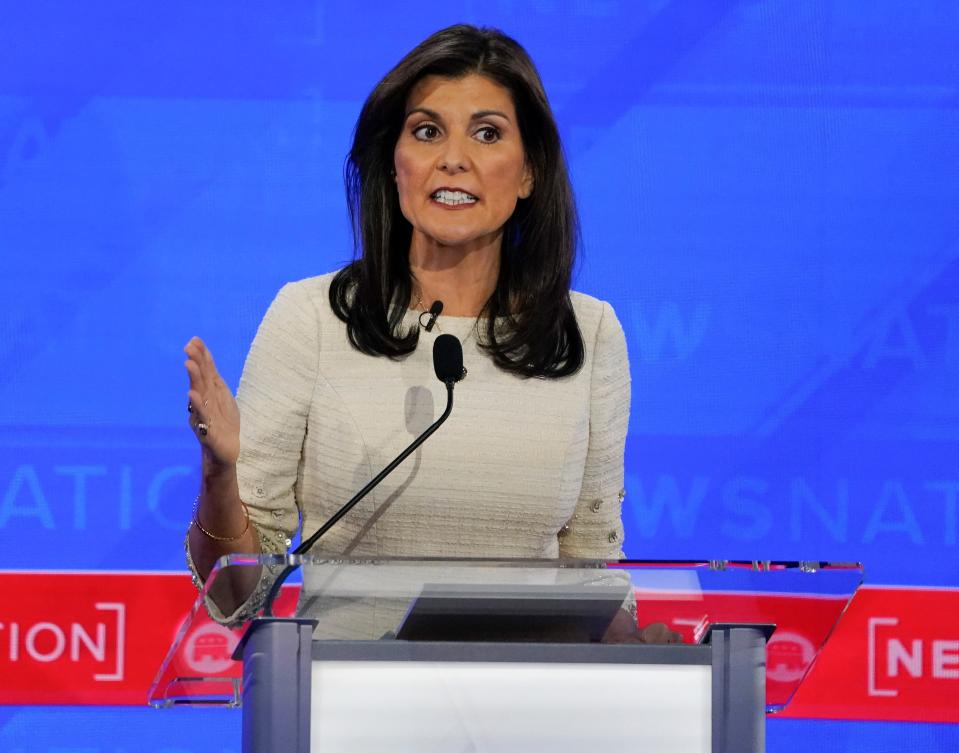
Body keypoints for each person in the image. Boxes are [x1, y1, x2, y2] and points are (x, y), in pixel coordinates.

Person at [184, 24, 678, 643]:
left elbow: (591, 575)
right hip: (351, 705)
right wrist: (219, 473)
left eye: (488, 133)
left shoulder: (588, 333)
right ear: (394, 164)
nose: (453, 157)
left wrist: (650, 661)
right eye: (426, 131)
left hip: (530, 709)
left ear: (529, 173)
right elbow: (236, 595)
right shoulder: (311, 318)